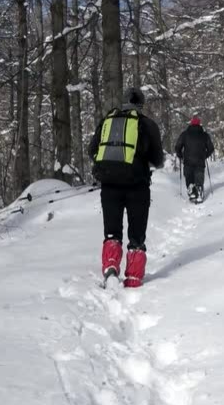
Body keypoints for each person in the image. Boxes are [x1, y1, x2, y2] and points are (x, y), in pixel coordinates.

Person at [88, 87, 165, 288]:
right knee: (136, 235)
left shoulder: (108, 120)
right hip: (137, 186)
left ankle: (111, 267)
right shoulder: (147, 124)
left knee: (112, 232)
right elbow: (158, 160)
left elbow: (92, 151)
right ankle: (133, 279)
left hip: (109, 185)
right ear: (141, 104)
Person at [174, 117, 215, 203]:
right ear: (199, 124)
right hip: (200, 162)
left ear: (191, 124)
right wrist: (205, 156)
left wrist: (180, 155)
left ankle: (192, 191)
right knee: (199, 179)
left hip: (188, 162)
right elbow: (211, 149)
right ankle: (199, 191)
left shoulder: (184, 134)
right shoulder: (204, 135)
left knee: (189, 179)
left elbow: (178, 147)